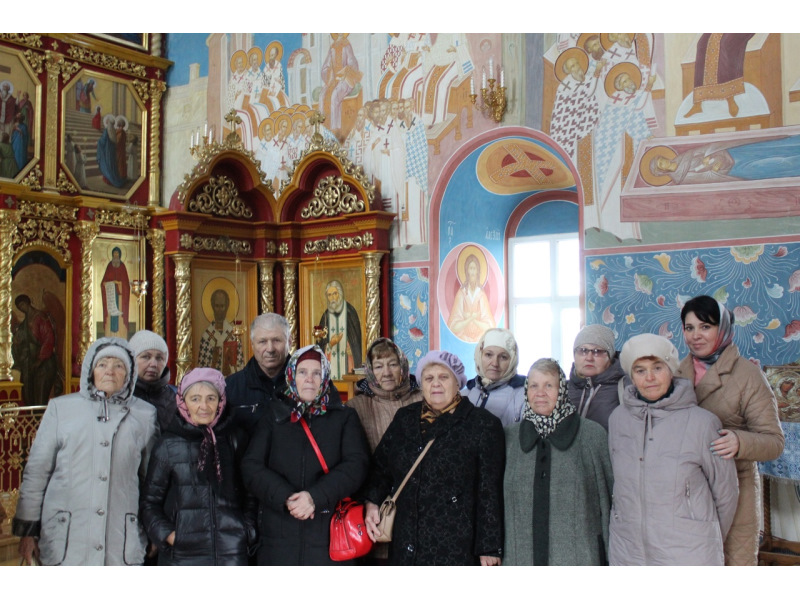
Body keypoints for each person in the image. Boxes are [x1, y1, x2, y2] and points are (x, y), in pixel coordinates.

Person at [12, 337, 158, 565]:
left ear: (129, 374)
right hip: (66, 536)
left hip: (120, 537)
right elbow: (37, 472)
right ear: (91, 371)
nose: (110, 371)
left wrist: (155, 528)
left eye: (118, 366)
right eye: (102, 364)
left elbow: (152, 480)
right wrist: (28, 530)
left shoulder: (145, 415)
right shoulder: (61, 409)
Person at [363, 350, 505, 566]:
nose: (435, 383)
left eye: (443, 377)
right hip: (406, 540)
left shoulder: (483, 425)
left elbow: (489, 491)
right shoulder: (405, 418)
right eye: (429, 378)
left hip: (456, 544)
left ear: (457, 382)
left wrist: (489, 547)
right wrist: (372, 502)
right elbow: (381, 467)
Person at [609, 333, 739, 565]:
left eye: (657, 368)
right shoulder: (618, 419)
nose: (650, 377)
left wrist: (705, 536)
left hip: (689, 551)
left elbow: (725, 492)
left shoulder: (703, 423)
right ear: (631, 377)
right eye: (640, 370)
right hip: (629, 550)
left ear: (671, 370)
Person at [677, 295, 784, 565]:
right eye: (689, 328)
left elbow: (774, 442)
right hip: (688, 490)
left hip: (736, 488)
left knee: (734, 566)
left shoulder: (748, 375)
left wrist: (740, 441)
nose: (696, 335)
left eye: (705, 326)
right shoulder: (676, 373)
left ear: (723, 328)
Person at [241, 345, 369, 565]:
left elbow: (356, 466)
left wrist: (314, 497)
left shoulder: (344, 417)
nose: (309, 379)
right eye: (302, 372)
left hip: (328, 536)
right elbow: (251, 466)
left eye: (316, 373)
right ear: (291, 375)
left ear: (325, 378)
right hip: (279, 536)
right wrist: (287, 498)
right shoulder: (274, 416)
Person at [140, 367, 257, 565]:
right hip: (182, 555)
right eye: (195, 399)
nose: (204, 406)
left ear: (221, 401)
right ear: (183, 401)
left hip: (231, 553)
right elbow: (149, 503)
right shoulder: (168, 445)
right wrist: (170, 536)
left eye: (211, 398)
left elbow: (251, 494)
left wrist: (245, 532)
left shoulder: (235, 439)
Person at [504, 358, 612, 565]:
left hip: (580, 558)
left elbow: (608, 503)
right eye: (533, 386)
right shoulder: (509, 438)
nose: (540, 393)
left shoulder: (591, 435)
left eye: (549, 386)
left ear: (562, 389)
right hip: (520, 557)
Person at [348, 337, 422, 452]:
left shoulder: (423, 399)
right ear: (370, 371)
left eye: (393, 364)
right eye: (378, 367)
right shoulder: (356, 407)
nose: (387, 373)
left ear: (402, 366)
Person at [225, 312, 291, 434]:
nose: (270, 349)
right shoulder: (230, 387)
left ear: (289, 342)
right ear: (252, 345)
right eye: (262, 341)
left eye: (276, 340)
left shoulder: (306, 384)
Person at [567, 324, 625, 431]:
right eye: (583, 350)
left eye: (597, 352)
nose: (589, 358)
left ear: (610, 357)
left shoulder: (626, 389)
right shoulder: (560, 389)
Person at [464, 328, 526, 427]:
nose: (495, 363)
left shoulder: (525, 396)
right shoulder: (464, 395)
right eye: (489, 355)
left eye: (503, 357)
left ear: (512, 361)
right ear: (479, 356)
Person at [11, 294, 58, 406]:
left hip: (44, 364)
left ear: (27, 303)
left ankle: (40, 416)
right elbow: (20, 340)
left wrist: (39, 360)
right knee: (28, 395)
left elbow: (48, 339)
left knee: (40, 396)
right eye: (19, 307)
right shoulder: (25, 323)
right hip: (30, 364)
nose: (22, 308)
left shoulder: (40, 318)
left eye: (22, 305)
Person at [129, 329, 176, 432]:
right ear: (132, 360)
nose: (153, 364)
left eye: (159, 358)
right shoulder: (121, 396)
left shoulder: (176, 398)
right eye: (146, 357)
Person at [317, 279, 362, 380]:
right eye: (329, 295)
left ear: (340, 294)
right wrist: (330, 344)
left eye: (335, 293)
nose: (332, 298)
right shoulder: (325, 317)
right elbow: (319, 345)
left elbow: (357, 342)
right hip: (330, 371)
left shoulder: (350, 312)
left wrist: (351, 348)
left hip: (348, 365)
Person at [447, 249, 496, 343]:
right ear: (467, 271)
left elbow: (490, 326)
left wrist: (471, 319)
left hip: (480, 339)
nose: (473, 271)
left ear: (478, 271)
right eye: (470, 268)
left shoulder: (481, 294)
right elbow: (453, 327)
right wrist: (472, 318)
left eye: (474, 268)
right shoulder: (461, 293)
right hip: (463, 338)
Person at [197, 288, 244, 376]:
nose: (219, 310)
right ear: (212, 306)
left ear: (227, 307)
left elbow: (240, 366)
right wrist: (213, 361)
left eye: (222, 306)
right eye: (217, 306)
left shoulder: (233, 335)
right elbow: (201, 369)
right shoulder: (206, 336)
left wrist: (230, 367)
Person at [100, 245, 131, 338]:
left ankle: (121, 336)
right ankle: (109, 336)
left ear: (120, 255)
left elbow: (126, 285)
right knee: (111, 317)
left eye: (117, 254)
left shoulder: (123, 267)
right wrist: (109, 283)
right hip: (110, 297)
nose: (116, 255)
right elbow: (103, 283)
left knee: (119, 318)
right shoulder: (109, 266)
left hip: (120, 298)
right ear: (112, 255)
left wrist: (119, 284)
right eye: (114, 254)